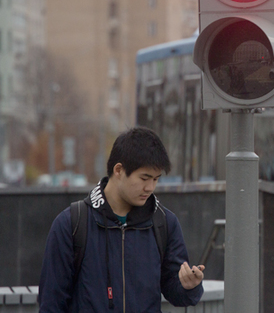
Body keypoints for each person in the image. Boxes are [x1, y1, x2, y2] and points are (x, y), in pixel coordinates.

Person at [38, 127, 205, 312]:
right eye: (144, 178)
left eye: (156, 179)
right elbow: (51, 302)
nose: (150, 187)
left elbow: (174, 291)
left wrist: (189, 287)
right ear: (119, 170)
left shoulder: (164, 223)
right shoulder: (72, 224)